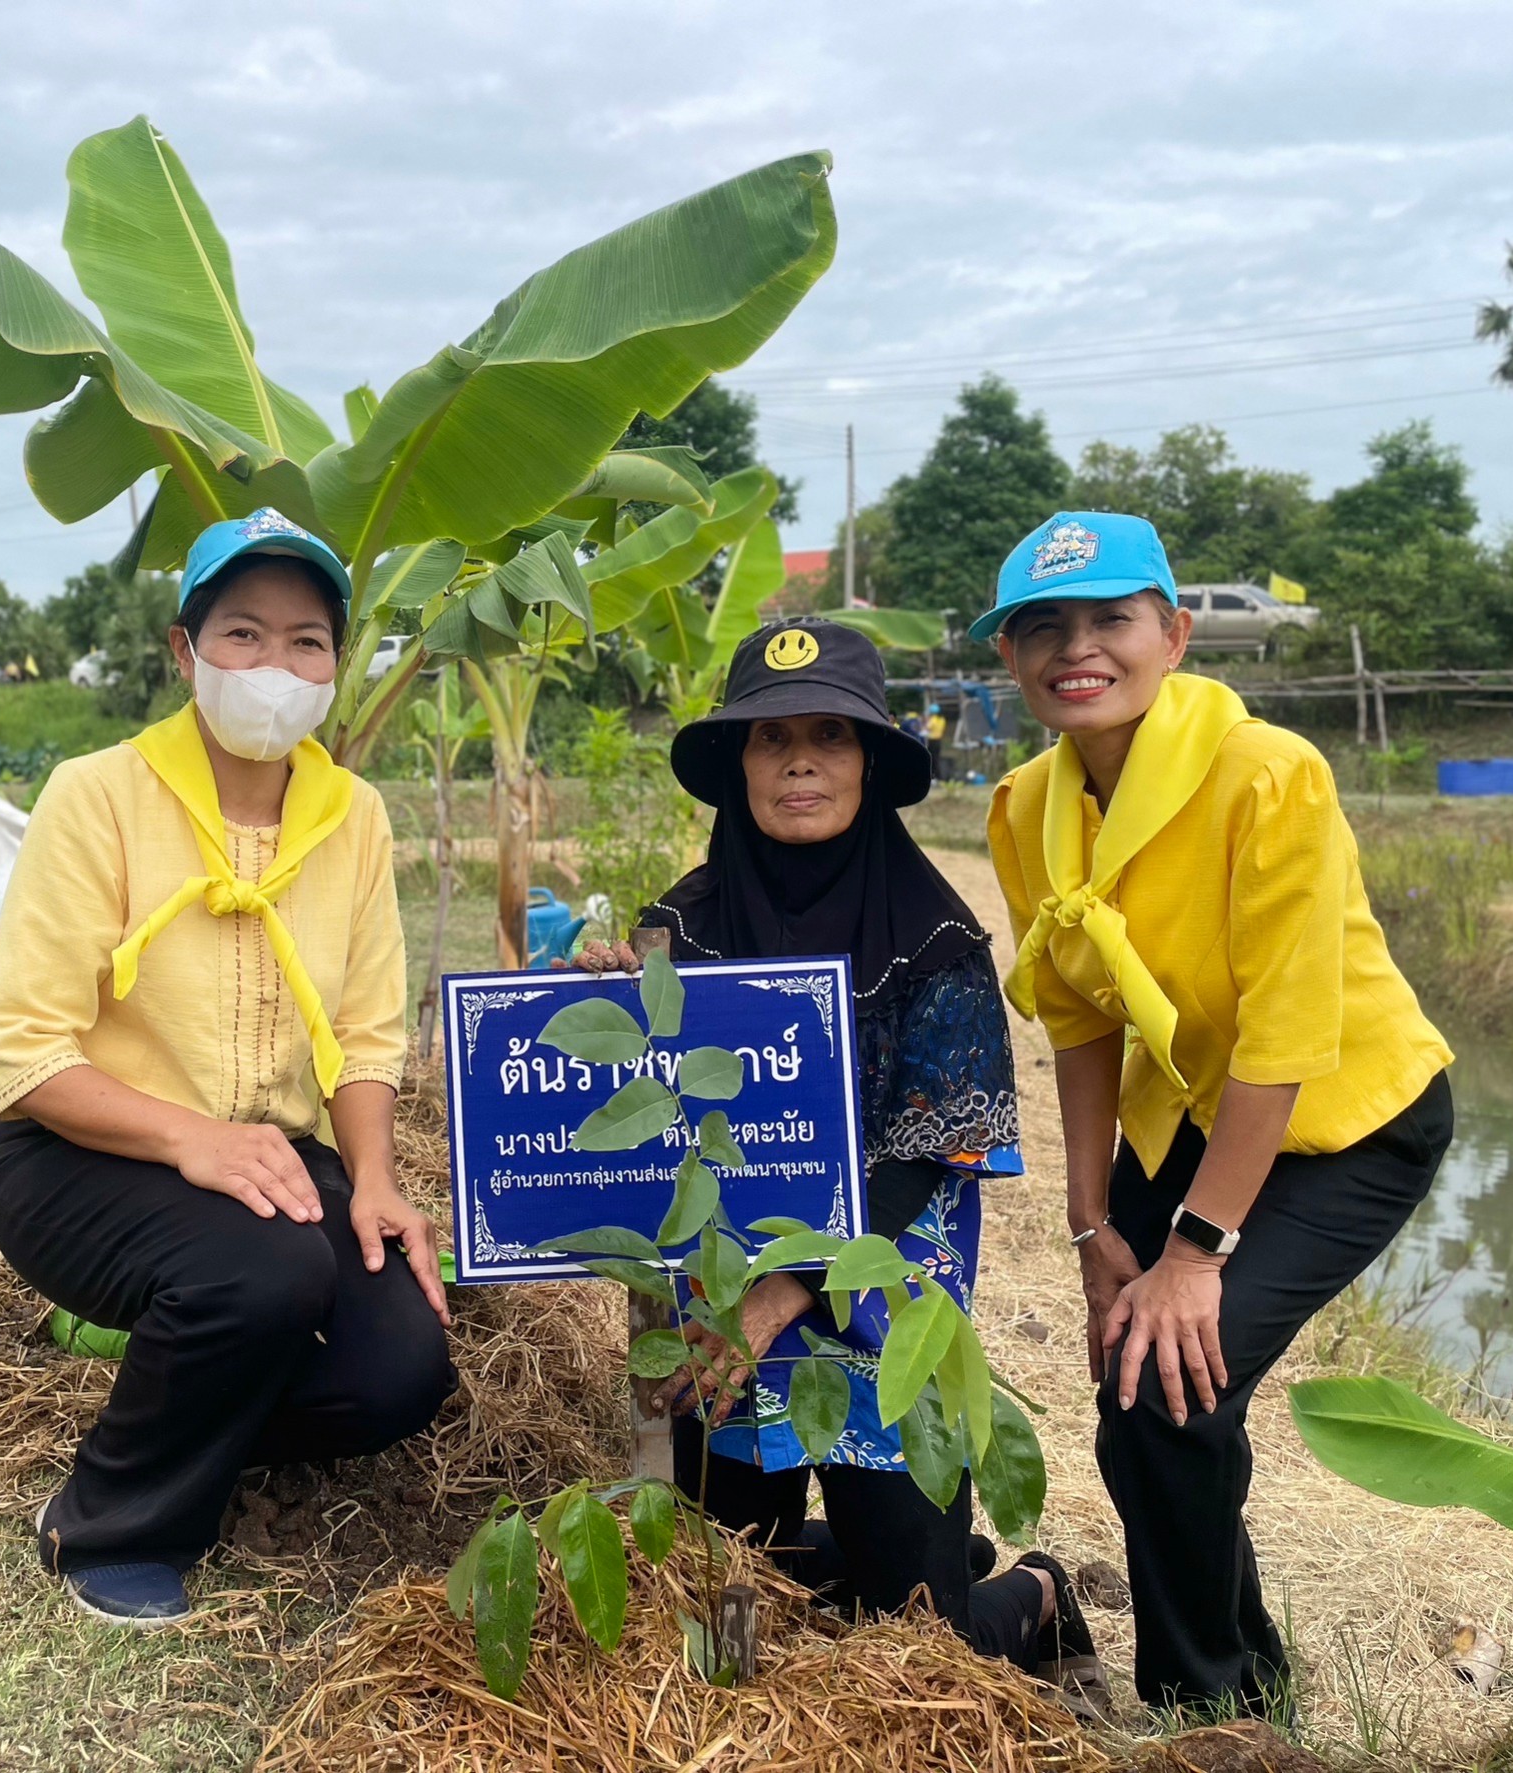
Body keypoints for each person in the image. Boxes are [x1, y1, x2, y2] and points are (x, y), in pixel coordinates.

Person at [980, 513, 1454, 1715]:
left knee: (1166, 1391)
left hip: (1346, 1118)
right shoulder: (1025, 805)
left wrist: (1194, 1252)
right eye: (1042, 628)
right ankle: (1250, 1678)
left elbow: (1287, 1044)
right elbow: (1079, 1021)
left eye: (1110, 621)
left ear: (1174, 633)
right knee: (1146, 1394)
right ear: (1009, 657)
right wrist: (1091, 1228)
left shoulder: (1268, 774)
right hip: (1191, 1109)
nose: (1076, 650)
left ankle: (1208, 1711)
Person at [576, 617, 1097, 1689]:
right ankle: (858, 1562)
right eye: (771, 739)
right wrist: (595, 1003)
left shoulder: (937, 941)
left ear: (870, 764)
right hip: (720, 1309)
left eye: (831, 735)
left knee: (924, 1654)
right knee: (727, 1627)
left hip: (878, 1299)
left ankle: (1034, 1592)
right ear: (738, 767)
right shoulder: (679, 928)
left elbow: (926, 1157)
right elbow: (635, 1115)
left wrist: (782, 1296)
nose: (800, 759)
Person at [0, 508, 455, 1627]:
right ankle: (110, 1522)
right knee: (269, 1273)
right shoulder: (97, 794)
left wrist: (375, 1181)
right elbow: (26, 1049)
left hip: (273, 1162)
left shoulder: (356, 817)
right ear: (184, 651)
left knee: (401, 1373)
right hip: (79, 1151)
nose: (274, 668)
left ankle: (193, 1418)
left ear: (338, 664)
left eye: (306, 642)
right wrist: (192, 1138)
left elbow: (370, 1032)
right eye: (242, 634)